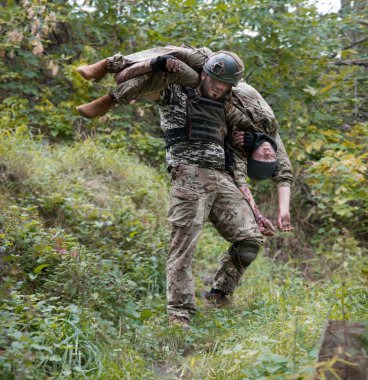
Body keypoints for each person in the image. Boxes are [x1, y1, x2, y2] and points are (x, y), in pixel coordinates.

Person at [75, 45, 293, 232]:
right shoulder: (271, 132)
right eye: (269, 156)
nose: (266, 153)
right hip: (223, 69)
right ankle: (107, 64)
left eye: (261, 158)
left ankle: (111, 99)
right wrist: (284, 209)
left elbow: (241, 182)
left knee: (171, 68)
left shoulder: (235, 142)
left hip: (216, 89)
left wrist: (257, 217)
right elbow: (284, 173)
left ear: (249, 155)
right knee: (180, 53)